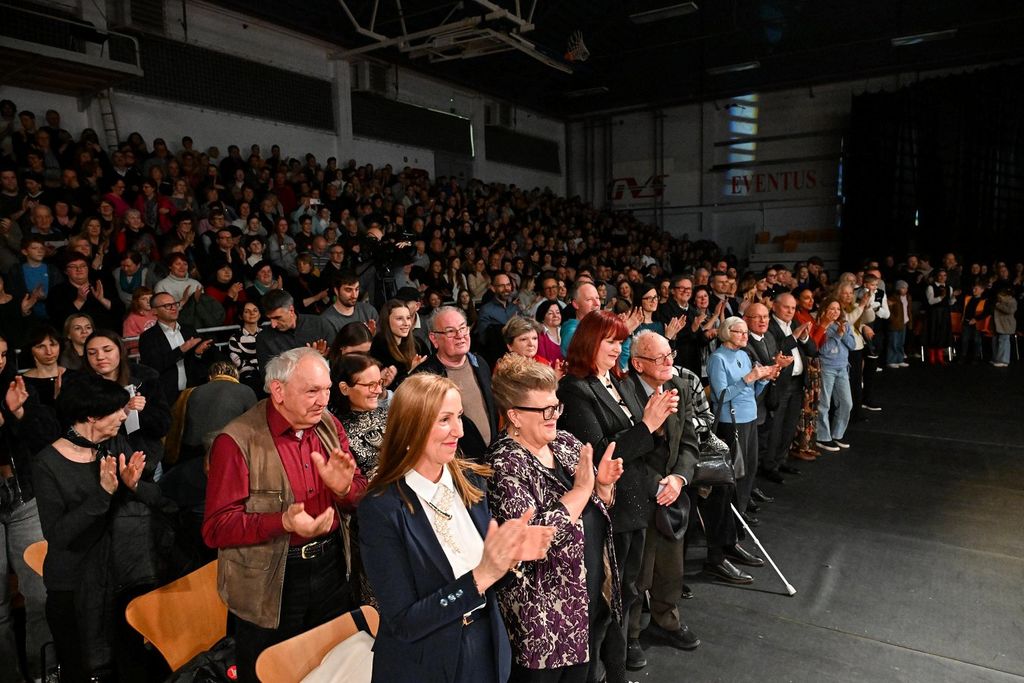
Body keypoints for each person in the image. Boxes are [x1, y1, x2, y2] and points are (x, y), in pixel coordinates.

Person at [357, 372, 555, 683]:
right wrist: (481, 577)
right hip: (424, 665)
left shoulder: (471, 482)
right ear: (411, 426)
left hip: (485, 647)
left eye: (459, 416)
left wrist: (511, 557)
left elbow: (490, 578)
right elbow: (405, 622)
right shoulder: (381, 509)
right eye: (445, 420)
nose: (460, 431)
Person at [203, 347, 367, 683]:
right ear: (278, 391)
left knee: (335, 664)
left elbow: (358, 493)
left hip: (332, 567)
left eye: (327, 389)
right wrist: (283, 522)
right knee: (270, 673)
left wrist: (343, 490)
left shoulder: (329, 424)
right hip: (271, 582)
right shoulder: (237, 440)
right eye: (312, 391)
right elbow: (216, 528)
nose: (323, 401)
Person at [557, 310, 679, 678]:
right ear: (589, 342)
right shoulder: (575, 389)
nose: (617, 348)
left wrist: (656, 427)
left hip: (635, 504)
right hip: (608, 510)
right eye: (610, 341)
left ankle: (616, 672)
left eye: (620, 342)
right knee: (603, 604)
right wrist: (647, 426)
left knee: (626, 597)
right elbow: (599, 453)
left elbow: (641, 440)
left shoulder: (617, 380)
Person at [488, 354, 623, 683]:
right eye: (545, 410)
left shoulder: (564, 442)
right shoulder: (503, 463)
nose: (555, 416)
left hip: (586, 600)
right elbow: (533, 537)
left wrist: (603, 488)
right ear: (514, 415)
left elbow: (595, 507)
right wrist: (581, 491)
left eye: (556, 407)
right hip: (543, 622)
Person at [35, 374, 166, 682]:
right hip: (74, 585)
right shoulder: (47, 463)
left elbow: (158, 499)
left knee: (130, 664)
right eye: (116, 410)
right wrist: (103, 494)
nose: (123, 415)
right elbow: (59, 535)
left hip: (122, 576)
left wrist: (134, 486)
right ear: (91, 416)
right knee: (82, 669)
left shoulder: (113, 445)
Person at [0, 336, 57, 683]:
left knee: (40, 593)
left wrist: (19, 413)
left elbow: (45, 439)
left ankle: (45, 673)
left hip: (24, 499)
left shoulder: (18, 387)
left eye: (3, 354)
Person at [707, 317, 777, 528]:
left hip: (750, 416)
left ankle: (741, 510)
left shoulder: (744, 355)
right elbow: (721, 396)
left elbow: (751, 392)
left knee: (750, 467)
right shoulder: (718, 358)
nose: (745, 336)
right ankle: (731, 515)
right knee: (736, 471)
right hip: (731, 420)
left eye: (746, 332)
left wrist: (762, 380)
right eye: (740, 332)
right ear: (727, 333)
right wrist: (748, 378)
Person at [414, 306, 498, 462]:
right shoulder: (424, 377)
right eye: (450, 331)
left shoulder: (480, 363)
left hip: (492, 457)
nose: (460, 336)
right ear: (434, 339)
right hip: (456, 462)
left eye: (462, 328)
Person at [83, 329, 171, 472]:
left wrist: (142, 412)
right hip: (98, 463)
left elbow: (163, 425)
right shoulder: (81, 386)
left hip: (144, 461)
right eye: (92, 353)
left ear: (120, 350)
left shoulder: (146, 378)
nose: (100, 357)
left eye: (107, 350)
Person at [766, 293, 818, 471]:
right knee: (776, 426)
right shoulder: (769, 325)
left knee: (789, 425)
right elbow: (774, 352)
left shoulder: (795, 323)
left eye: (793, 308)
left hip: (797, 383)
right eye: (786, 307)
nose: (790, 311)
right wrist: (794, 337)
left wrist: (804, 338)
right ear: (774, 306)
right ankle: (769, 465)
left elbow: (813, 350)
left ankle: (781, 461)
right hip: (780, 384)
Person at [138, 291, 213, 405]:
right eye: (167, 305)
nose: (173, 308)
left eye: (175, 304)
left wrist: (197, 354)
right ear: (154, 311)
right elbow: (153, 366)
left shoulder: (188, 329)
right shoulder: (148, 337)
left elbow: (197, 362)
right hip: (166, 396)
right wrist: (181, 350)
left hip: (193, 391)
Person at [255, 289, 335, 373]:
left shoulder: (320, 324)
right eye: (270, 319)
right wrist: (311, 360)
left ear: (291, 310)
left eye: (277, 318)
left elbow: (337, 361)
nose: (273, 325)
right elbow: (268, 376)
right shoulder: (264, 338)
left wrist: (322, 360)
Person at [814, 299, 856, 452]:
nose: (835, 312)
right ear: (824, 310)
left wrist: (843, 333)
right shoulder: (820, 326)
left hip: (843, 368)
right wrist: (838, 336)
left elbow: (852, 345)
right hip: (827, 368)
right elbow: (822, 351)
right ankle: (823, 437)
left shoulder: (844, 324)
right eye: (832, 308)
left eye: (838, 309)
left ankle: (837, 434)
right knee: (824, 404)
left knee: (847, 403)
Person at [370, 299, 428, 388]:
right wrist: (412, 371)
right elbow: (387, 388)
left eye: (408, 318)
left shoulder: (418, 343)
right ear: (387, 321)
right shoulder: (379, 346)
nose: (406, 323)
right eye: (399, 319)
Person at [320, 271, 379, 340]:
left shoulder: (369, 311)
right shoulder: (326, 320)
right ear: (336, 291)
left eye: (357, 289)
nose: (354, 295)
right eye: (348, 290)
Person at [21, 326, 66, 408]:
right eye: (41, 346)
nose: (49, 352)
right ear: (30, 349)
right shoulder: (22, 383)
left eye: (53, 345)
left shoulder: (75, 377)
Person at [227, 301, 263, 392]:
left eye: (255, 310)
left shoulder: (266, 334)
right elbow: (238, 363)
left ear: (259, 314)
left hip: (267, 371)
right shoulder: (235, 338)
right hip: (248, 376)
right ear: (241, 316)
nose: (252, 313)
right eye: (247, 311)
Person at [560, 281, 602, 356]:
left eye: (597, 298)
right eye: (589, 299)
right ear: (576, 304)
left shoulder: (597, 326)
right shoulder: (572, 333)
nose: (597, 303)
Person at [991, 286, 1017, 368]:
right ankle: (996, 359)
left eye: (1000, 295)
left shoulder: (1011, 301)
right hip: (998, 326)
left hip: (1006, 326)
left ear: (1005, 295)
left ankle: (1003, 360)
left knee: (1004, 342)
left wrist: (999, 305)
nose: (999, 297)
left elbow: (1010, 310)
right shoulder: (999, 301)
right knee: (995, 341)